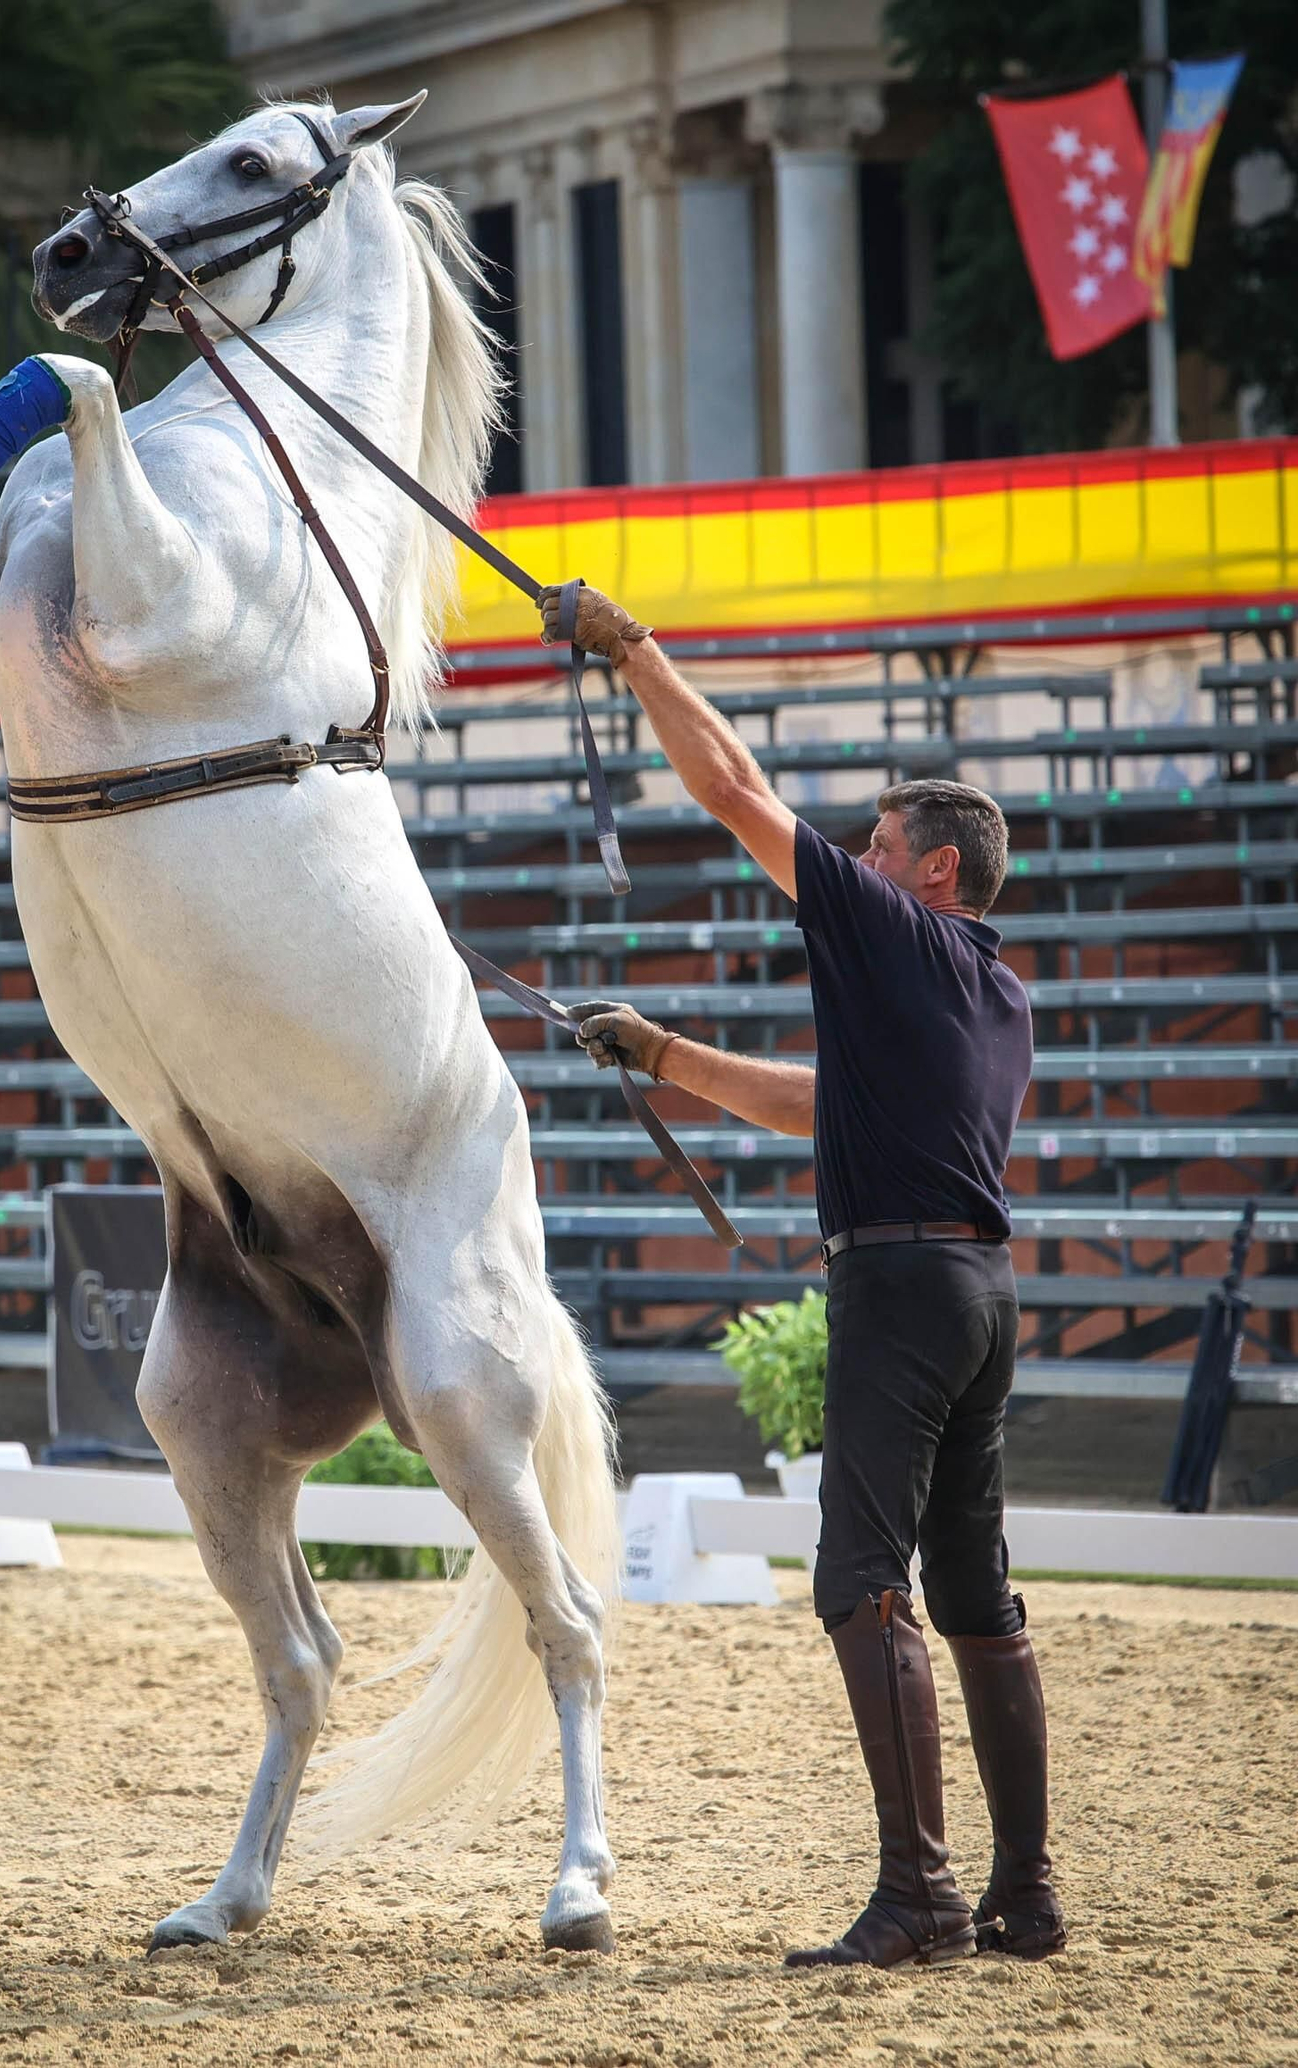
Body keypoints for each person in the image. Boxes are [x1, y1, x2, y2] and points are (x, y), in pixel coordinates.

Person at [539, 583, 1066, 1972]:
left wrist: (631, 646)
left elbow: (732, 788)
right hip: (978, 1296)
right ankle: (1024, 1891)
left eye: (880, 845)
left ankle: (921, 1896)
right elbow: (808, 1103)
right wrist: (662, 1054)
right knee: (975, 1594)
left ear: (936, 870)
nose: (858, 858)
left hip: (900, 1297)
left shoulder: (899, 934)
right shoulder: (994, 990)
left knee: (861, 1585)